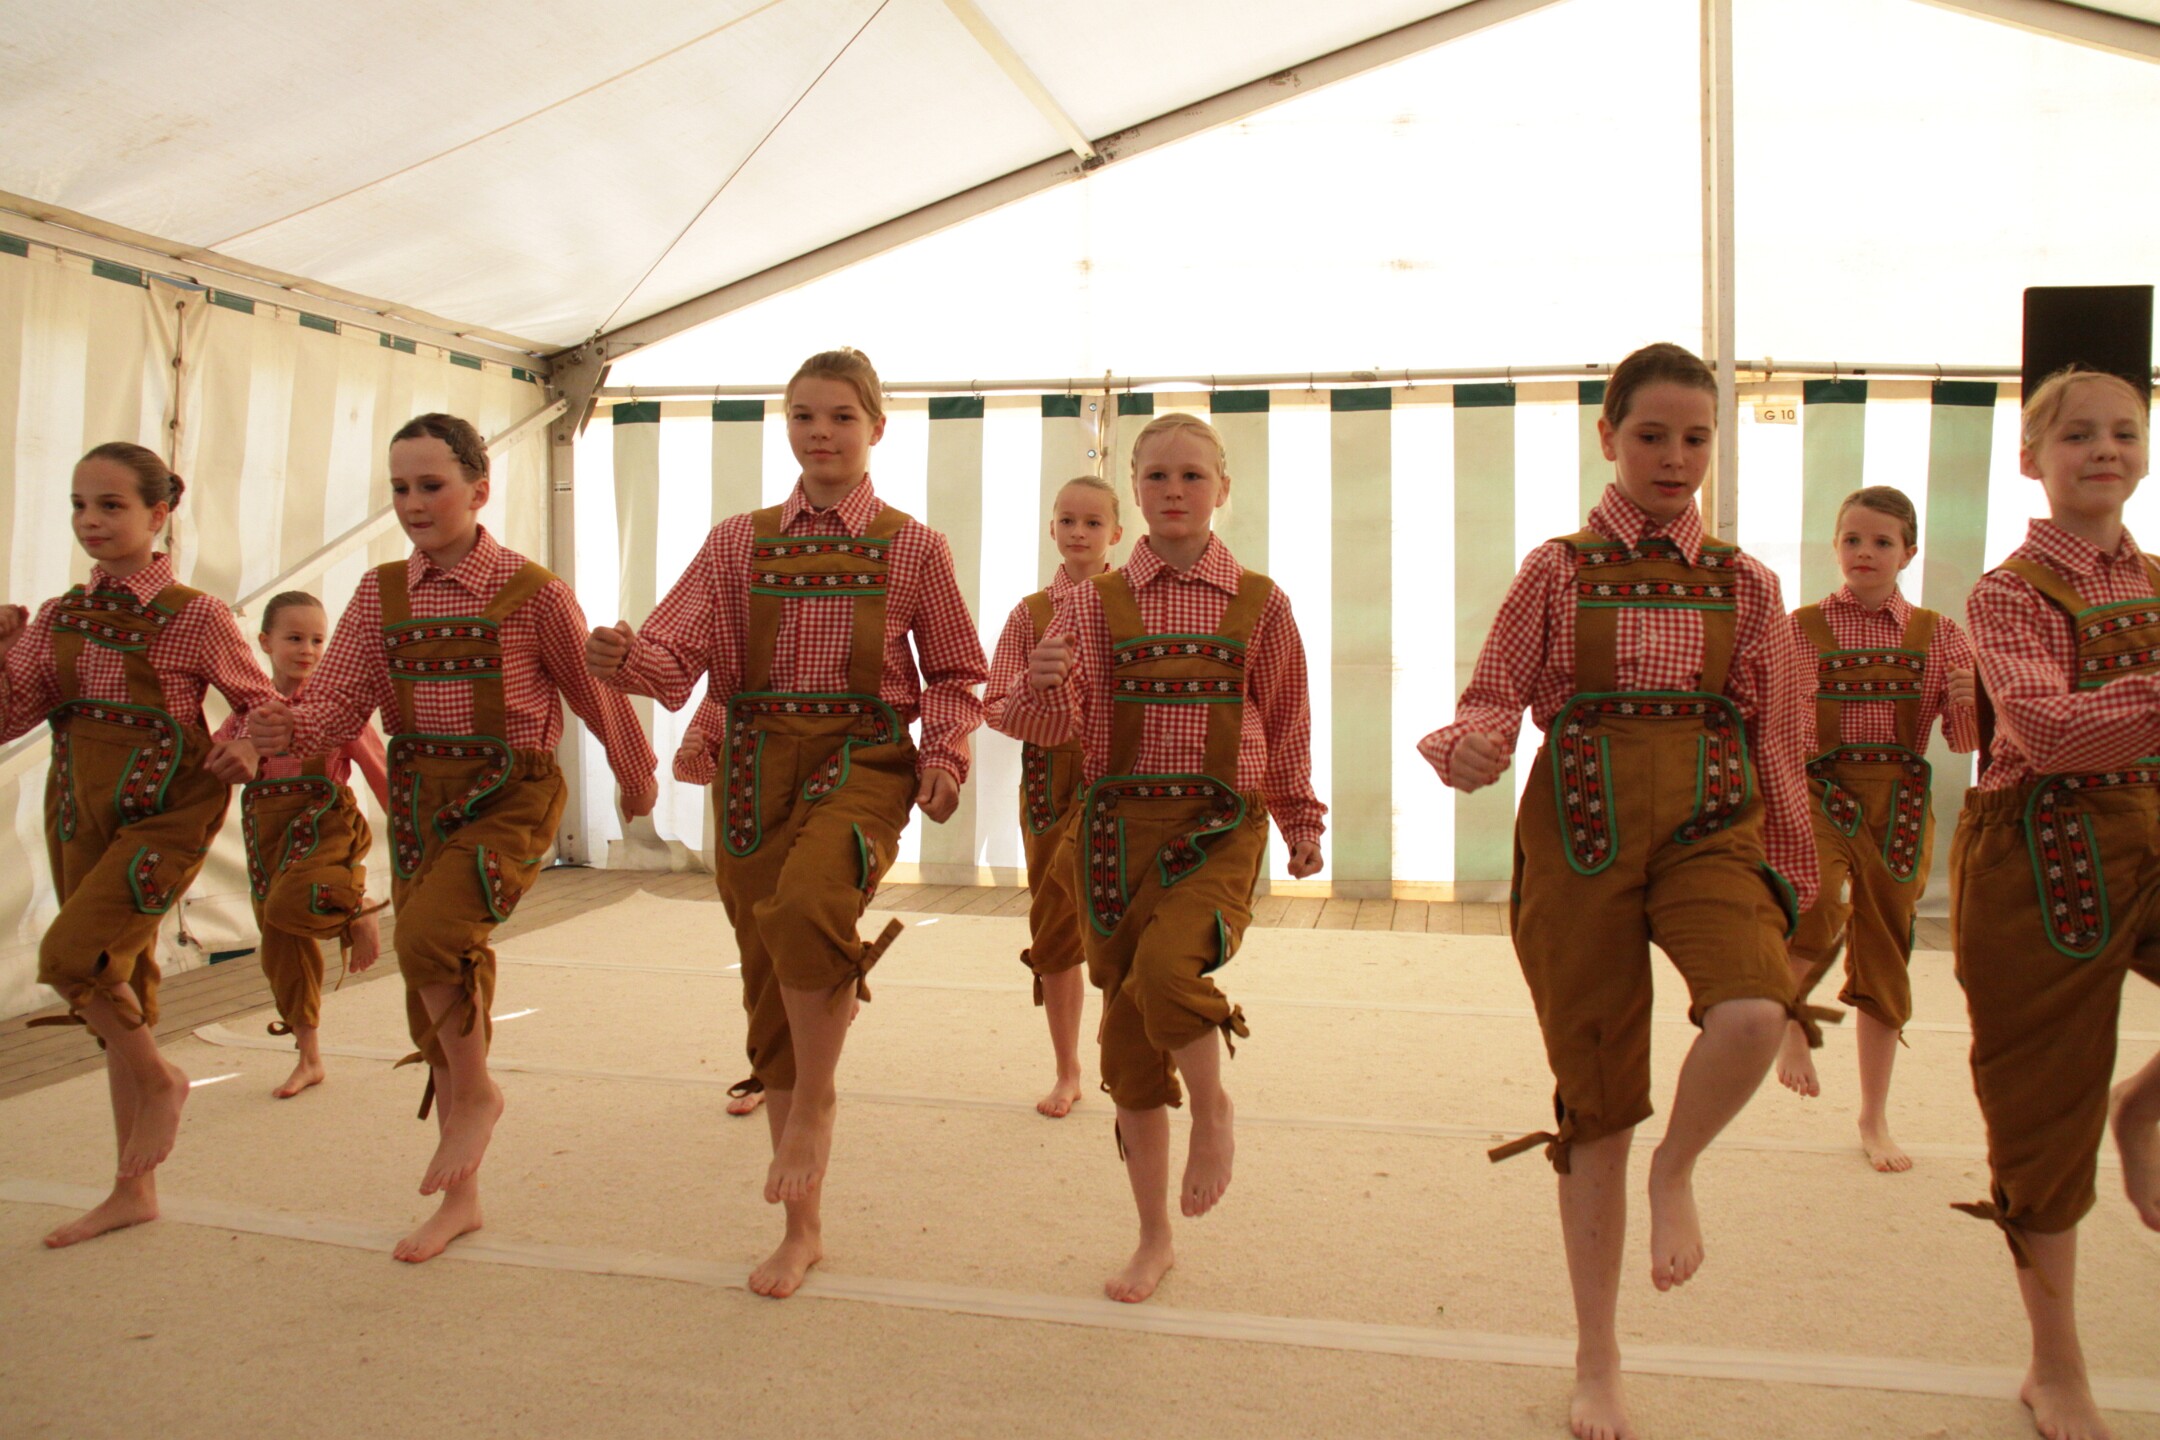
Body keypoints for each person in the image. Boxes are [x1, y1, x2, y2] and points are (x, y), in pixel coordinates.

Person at [1420, 344, 1815, 1440]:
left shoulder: (1749, 583)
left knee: (1753, 1010)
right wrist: (1469, 746)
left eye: (1696, 438)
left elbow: (1782, 738)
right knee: (1595, 1099)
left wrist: (1797, 879)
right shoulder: (1556, 569)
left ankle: (1674, 1168)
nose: (1675, 458)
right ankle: (1598, 1355)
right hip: (1579, 828)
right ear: (1608, 437)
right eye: (1652, 436)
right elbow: (1492, 695)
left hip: (1711, 820)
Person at [588, 349, 986, 1299]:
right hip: (752, 766)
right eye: (804, 415)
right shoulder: (737, 541)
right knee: (768, 978)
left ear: (877, 427)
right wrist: (623, 656)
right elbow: (674, 661)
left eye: (842, 416)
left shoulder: (916, 546)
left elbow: (955, 674)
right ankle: (801, 1228)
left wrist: (944, 754)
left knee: (810, 905)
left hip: (864, 760)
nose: (821, 432)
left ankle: (814, 1099)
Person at [251, 413, 656, 1263]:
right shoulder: (379, 595)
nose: (412, 502)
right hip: (418, 800)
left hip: (511, 793)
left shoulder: (534, 590)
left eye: (431, 485)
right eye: (400, 488)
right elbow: (339, 700)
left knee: (431, 936)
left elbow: (592, 691)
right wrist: (286, 729)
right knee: (430, 989)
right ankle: (461, 1198)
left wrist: (634, 772)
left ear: (479, 490)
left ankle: (475, 1098)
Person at [993, 411, 1325, 1304]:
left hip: (1218, 830)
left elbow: (1287, 717)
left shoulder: (1262, 601)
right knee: (1129, 1048)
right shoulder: (1089, 603)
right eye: (1157, 476)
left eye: (1192, 475)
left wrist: (1300, 818)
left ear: (1223, 488)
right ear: (1134, 490)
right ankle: (1153, 1238)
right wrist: (1040, 685)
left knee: (1170, 974)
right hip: (1112, 834)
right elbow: (1039, 726)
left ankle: (1213, 1108)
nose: (1174, 490)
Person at [1951, 366, 2159, 1440]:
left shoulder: (2159, 580)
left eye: (2125, 431)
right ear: (2032, 458)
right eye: (2078, 435)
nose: (2105, 449)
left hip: (2152, 817)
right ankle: (2056, 1362)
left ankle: (2142, 1105)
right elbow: (2049, 732)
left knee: (2078, 1103)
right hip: (2044, 850)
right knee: (2041, 1111)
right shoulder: (2007, 593)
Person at [1, 442, 272, 1247]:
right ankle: (133, 1190)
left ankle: (159, 1082)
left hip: (168, 810)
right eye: (79, 505)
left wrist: (245, 743)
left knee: (71, 957)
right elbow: (8, 718)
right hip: (79, 807)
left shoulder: (198, 615)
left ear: (159, 514)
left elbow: (260, 702)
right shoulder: (58, 616)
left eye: (111, 505)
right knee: (121, 983)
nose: (90, 520)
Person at [1771, 485, 1977, 1171]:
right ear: (1835, 547)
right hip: (1819, 791)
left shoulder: (1941, 634)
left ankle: (1873, 1116)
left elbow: (1964, 738)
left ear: (1908, 553)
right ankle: (1792, 1019)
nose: (1866, 552)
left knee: (1888, 948)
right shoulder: (1798, 629)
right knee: (1817, 900)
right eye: (1853, 539)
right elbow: (1771, 720)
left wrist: (1975, 693)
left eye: (1882, 542)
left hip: (1900, 804)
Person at [215, 590, 390, 1097]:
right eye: (294, 638)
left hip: (325, 825)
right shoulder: (244, 714)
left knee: (294, 900)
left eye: (317, 640)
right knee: (279, 944)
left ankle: (357, 907)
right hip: (267, 837)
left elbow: (380, 771)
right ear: (265, 642)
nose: (307, 650)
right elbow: (212, 766)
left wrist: (412, 834)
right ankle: (309, 1057)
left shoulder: (335, 711)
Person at [985, 474, 1122, 1116]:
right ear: (1051, 529)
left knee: (1124, 914)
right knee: (1056, 923)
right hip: (1049, 780)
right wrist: (1035, 689)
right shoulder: (1029, 614)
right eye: (1068, 520)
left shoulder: (1139, 606)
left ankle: (1121, 1043)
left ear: (1117, 532)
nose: (1079, 532)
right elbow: (994, 704)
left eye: (1093, 522)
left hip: (1121, 777)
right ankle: (1067, 1069)